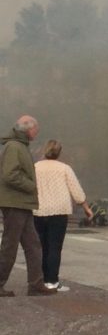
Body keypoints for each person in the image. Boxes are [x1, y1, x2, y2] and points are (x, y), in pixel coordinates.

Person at [0, 115, 57, 296]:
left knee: (33, 245)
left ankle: (35, 284)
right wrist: (31, 185)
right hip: (14, 202)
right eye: (35, 129)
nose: (37, 132)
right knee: (10, 245)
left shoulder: (20, 146)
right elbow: (10, 175)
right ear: (27, 129)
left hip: (22, 203)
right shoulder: (14, 147)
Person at [32, 140, 93, 292]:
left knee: (40, 247)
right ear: (59, 153)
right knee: (54, 247)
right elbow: (76, 190)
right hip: (59, 212)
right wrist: (86, 207)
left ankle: (39, 280)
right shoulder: (65, 168)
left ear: (43, 151)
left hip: (38, 211)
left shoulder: (35, 168)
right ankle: (52, 281)